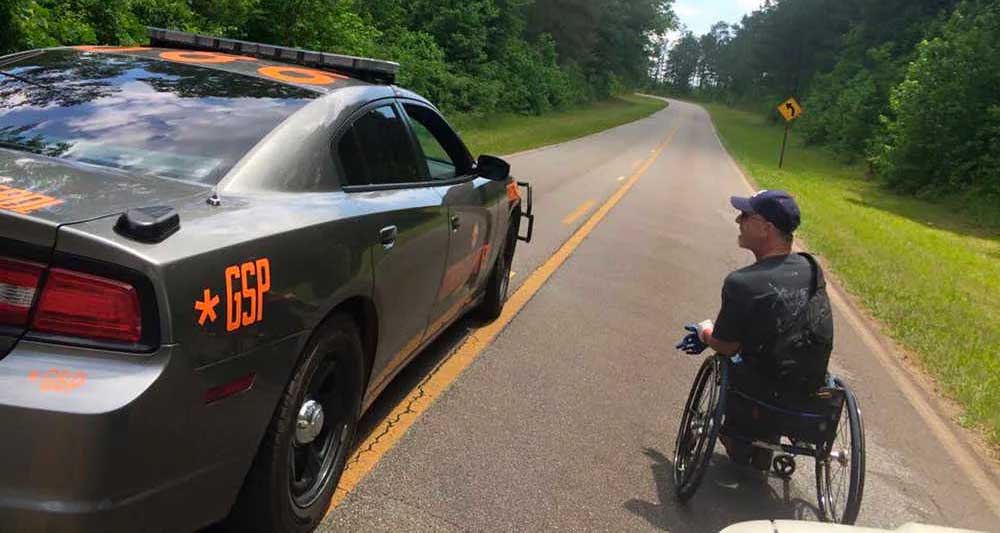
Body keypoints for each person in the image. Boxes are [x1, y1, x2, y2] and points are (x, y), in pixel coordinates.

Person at [676, 189, 834, 470]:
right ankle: (766, 441)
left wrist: (705, 332)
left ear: (765, 228)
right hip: (810, 389)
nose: (738, 220)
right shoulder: (812, 268)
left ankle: (740, 441)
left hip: (759, 394)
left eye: (746, 215)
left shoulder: (742, 283)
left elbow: (726, 346)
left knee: (732, 361)